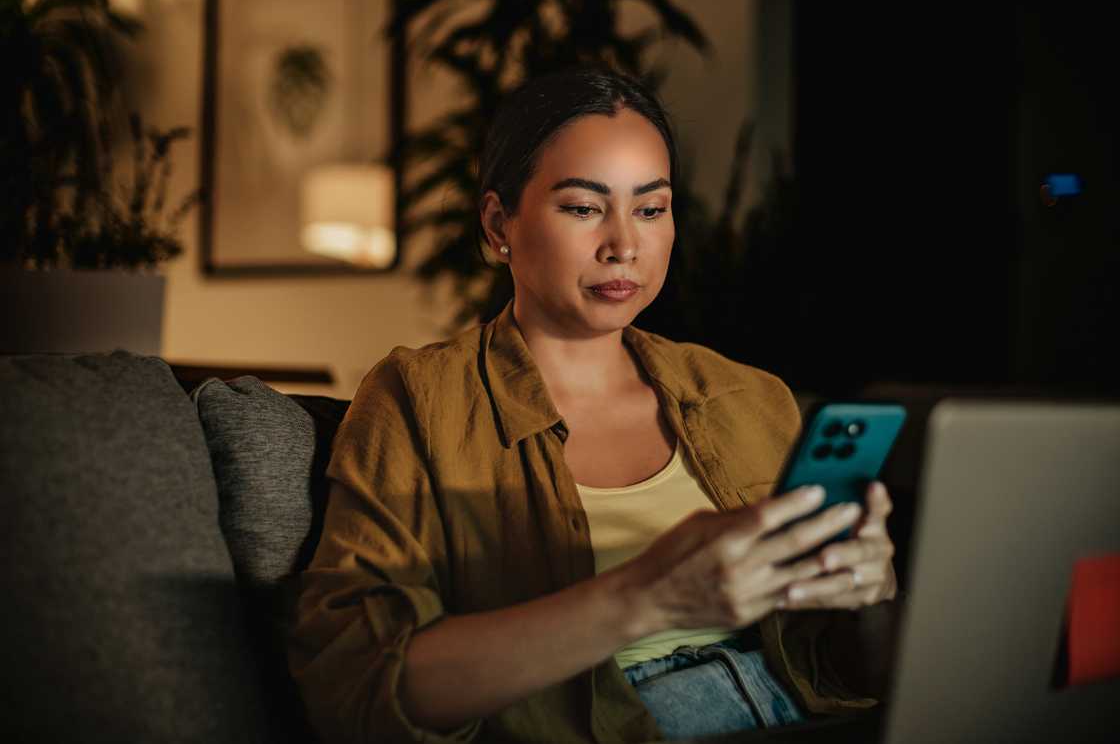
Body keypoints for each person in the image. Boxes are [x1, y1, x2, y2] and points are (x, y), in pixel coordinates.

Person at [288, 65, 900, 744]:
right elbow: (361, 685)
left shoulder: (748, 397)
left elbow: (856, 675)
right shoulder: (420, 398)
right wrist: (645, 598)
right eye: (583, 208)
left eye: (651, 209)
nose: (624, 246)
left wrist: (872, 596)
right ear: (498, 223)